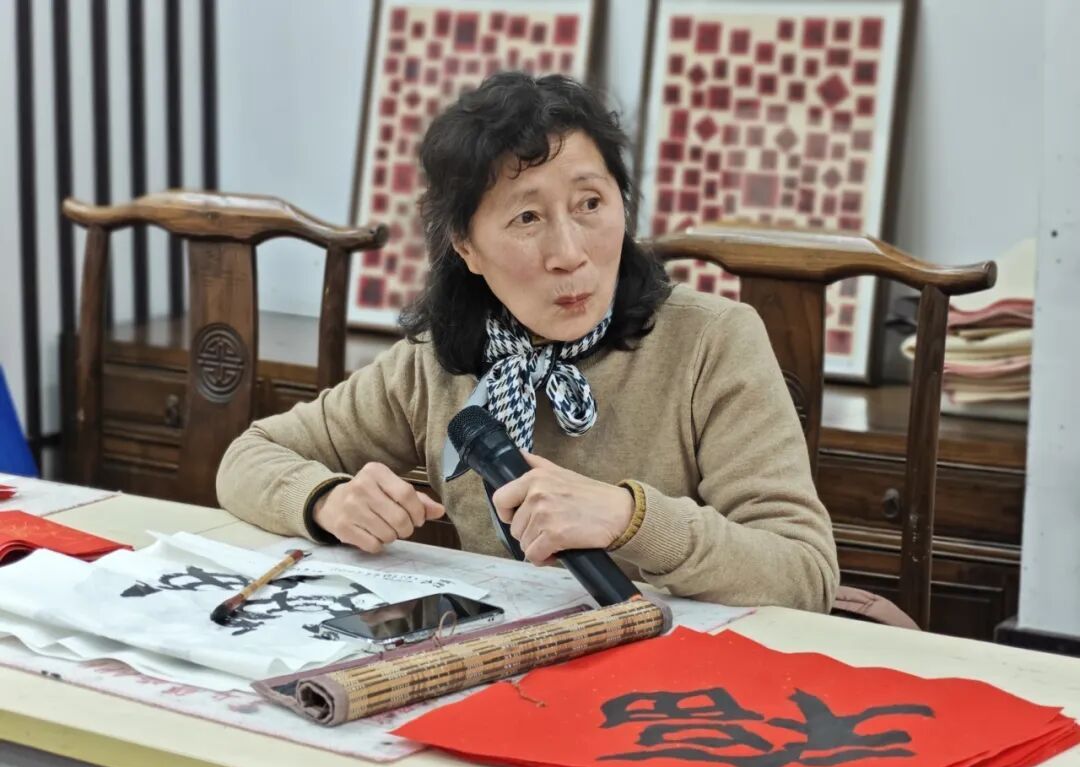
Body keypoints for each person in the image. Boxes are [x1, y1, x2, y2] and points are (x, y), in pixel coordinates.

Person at [216, 72, 838, 612]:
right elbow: (249, 457)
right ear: (466, 246)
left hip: (676, 673)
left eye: (590, 203)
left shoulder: (712, 341)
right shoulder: (434, 361)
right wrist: (326, 501)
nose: (569, 253)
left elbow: (803, 575)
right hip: (506, 661)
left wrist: (629, 520)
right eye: (527, 218)